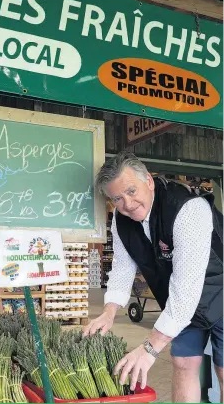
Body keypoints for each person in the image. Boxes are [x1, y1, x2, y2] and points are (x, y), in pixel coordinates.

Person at [84, 151, 223, 403]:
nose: (127, 204)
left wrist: (149, 348)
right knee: (182, 363)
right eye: (117, 198)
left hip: (220, 295)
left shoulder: (187, 209)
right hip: (181, 303)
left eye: (131, 191)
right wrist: (109, 311)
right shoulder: (120, 219)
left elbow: (187, 289)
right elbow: (123, 266)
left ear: (148, 180)